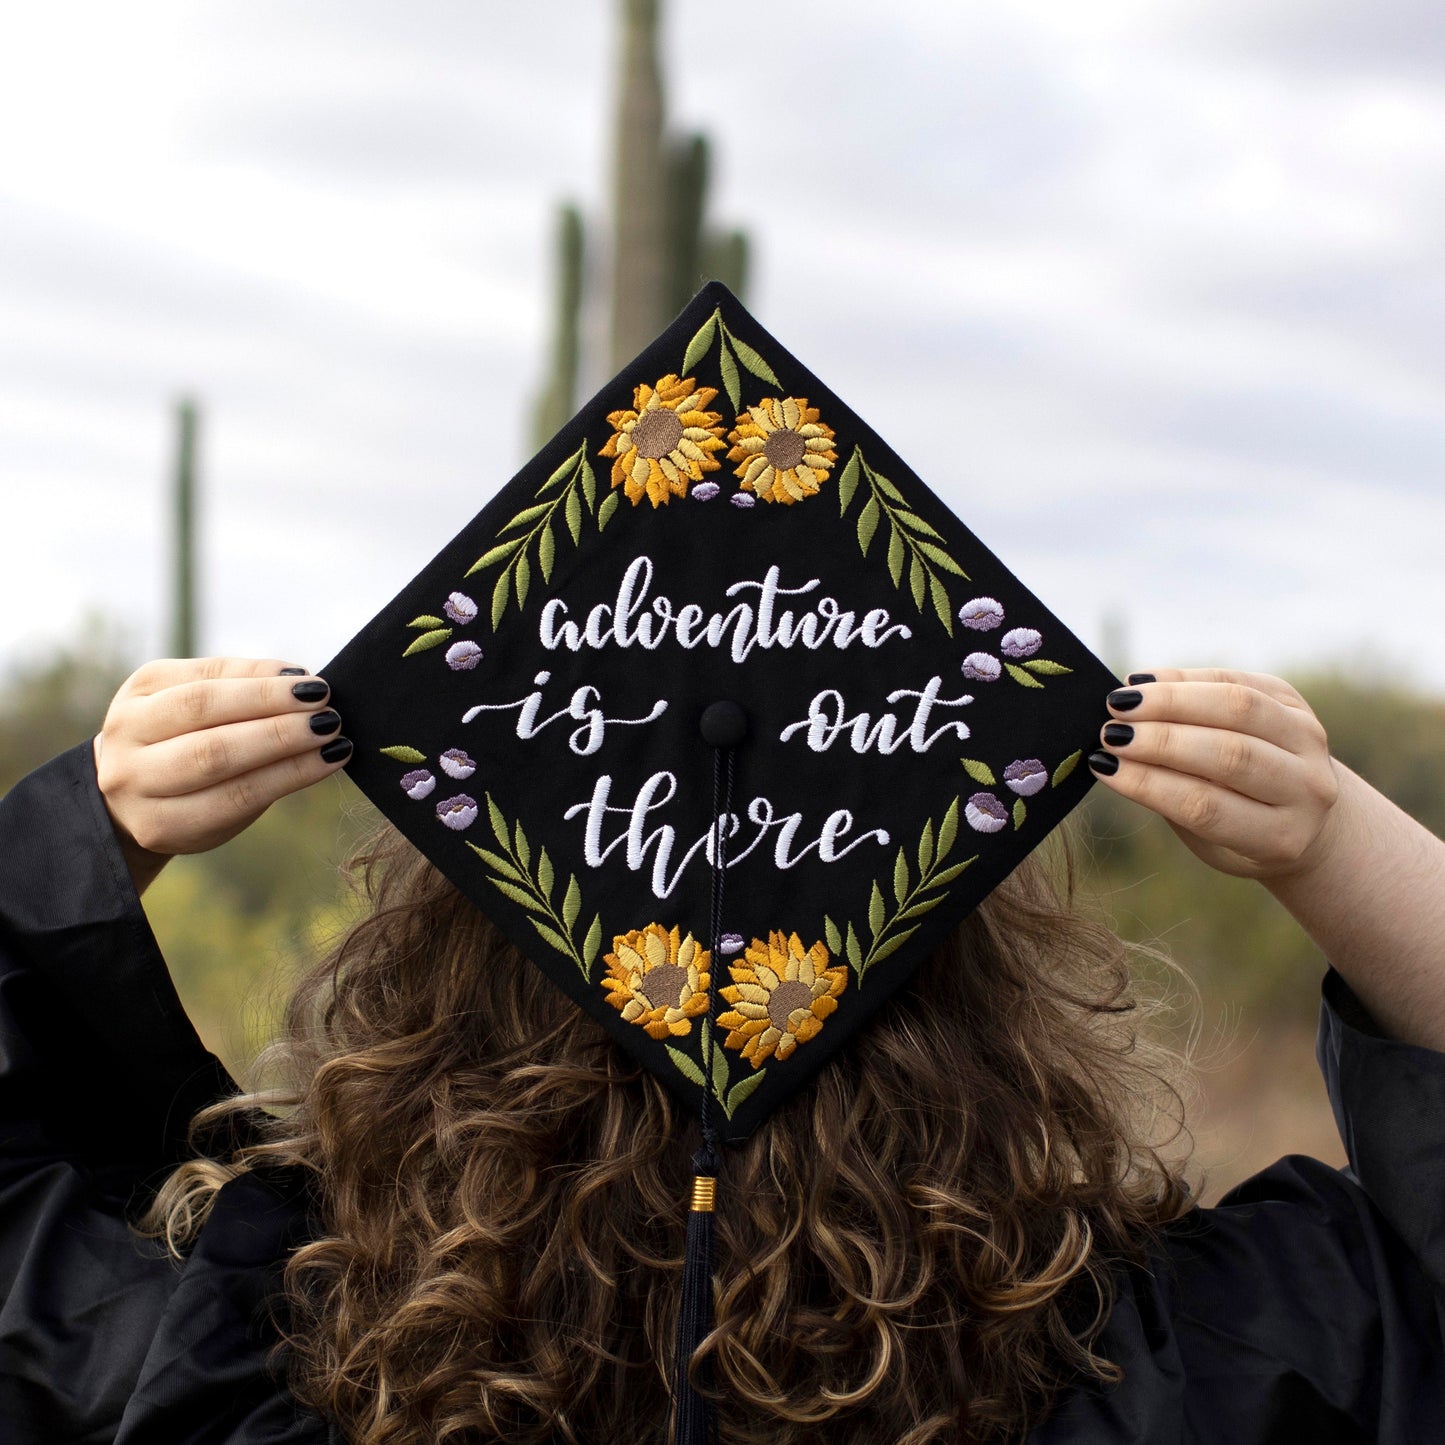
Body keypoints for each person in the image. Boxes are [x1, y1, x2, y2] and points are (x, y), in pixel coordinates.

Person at [2, 655, 1443, 1443]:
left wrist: (85, 829)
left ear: (433, 1002)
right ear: (973, 1008)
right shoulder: (1168, 1371)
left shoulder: (244, 1371)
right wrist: (1325, 833)